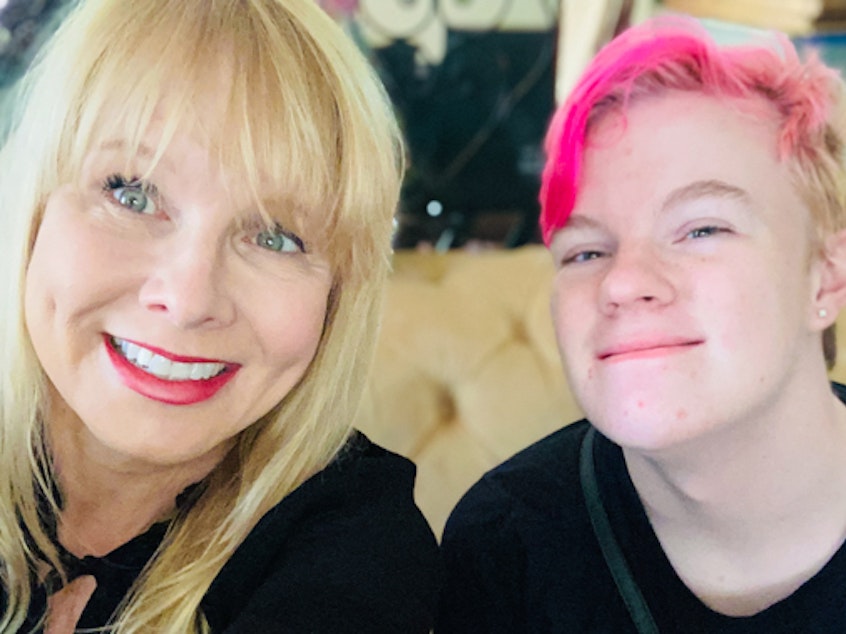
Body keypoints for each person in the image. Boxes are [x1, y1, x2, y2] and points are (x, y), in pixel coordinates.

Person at [0, 0, 441, 631]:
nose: (188, 300)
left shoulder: (355, 553)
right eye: (132, 192)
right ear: (33, 208)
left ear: (340, 292)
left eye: (276, 237)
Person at [437, 16, 846, 633]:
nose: (621, 283)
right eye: (586, 252)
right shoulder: (506, 540)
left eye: (702, 228)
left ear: (826, 276)